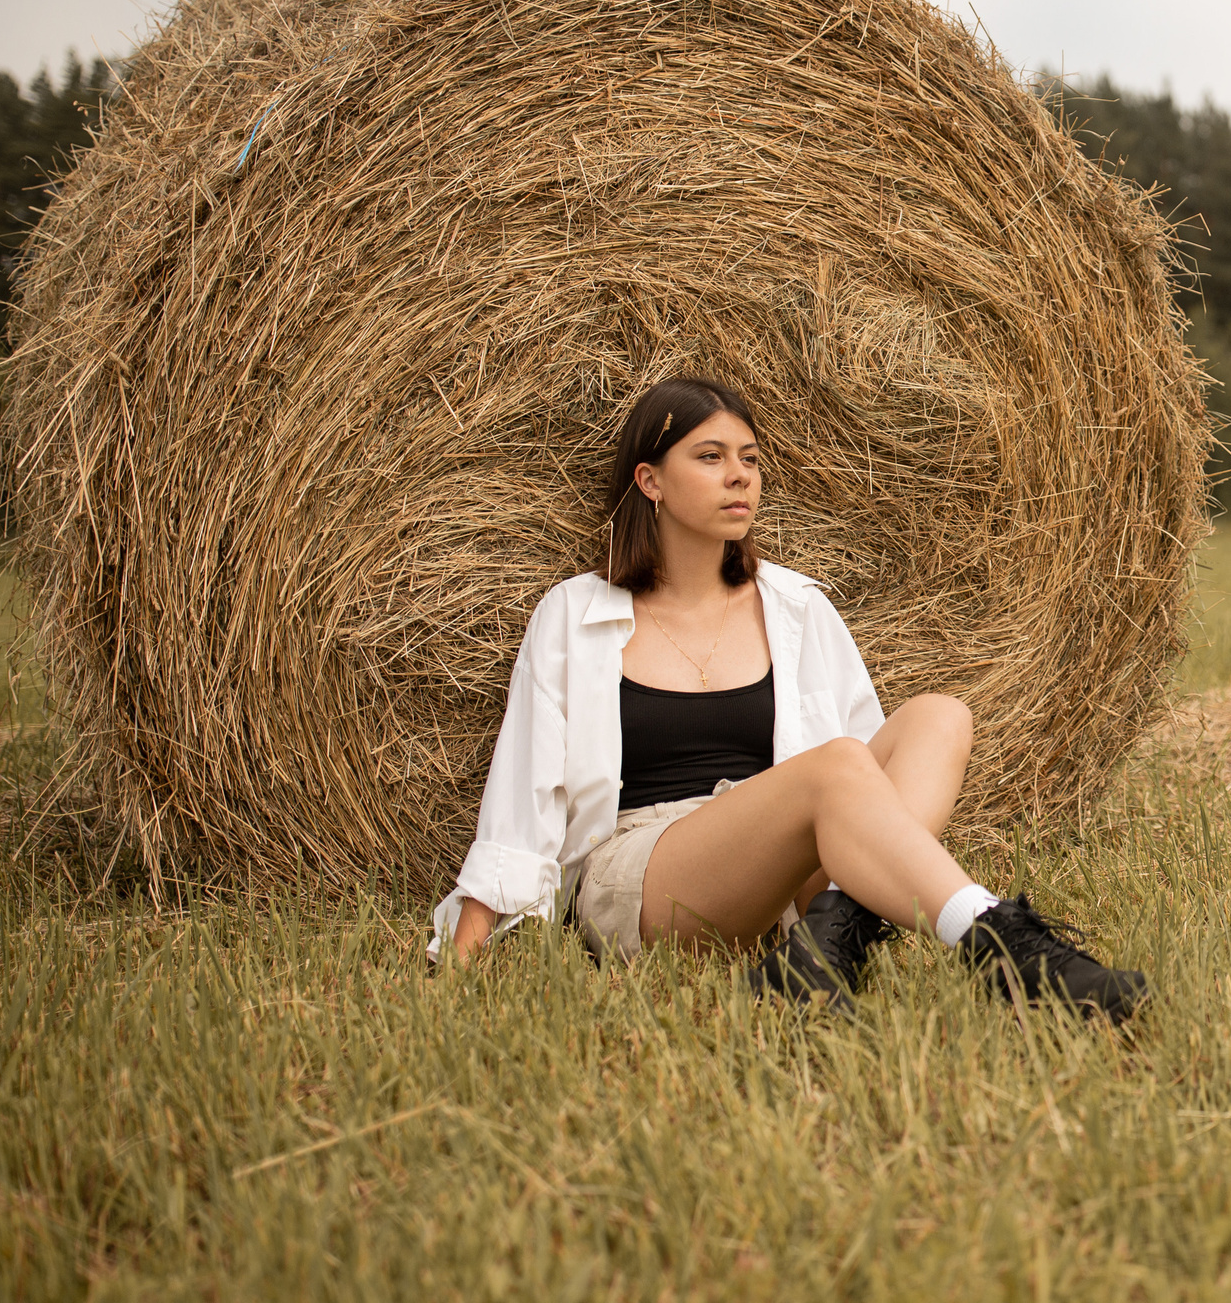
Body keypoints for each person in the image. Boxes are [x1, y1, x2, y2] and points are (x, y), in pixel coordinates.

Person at [428, 375, 1147, 1023]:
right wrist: (461, 959)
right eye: (710, 456)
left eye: (750, 457)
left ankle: (827, 939)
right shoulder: (574, 613)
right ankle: (1002, 943)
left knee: (940, 715)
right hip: (647, 872)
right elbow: (523, 794)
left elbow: (876, 794)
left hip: (789, 870)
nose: (739, 474)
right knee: (835, 765)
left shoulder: (796, 605)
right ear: (650, 480)